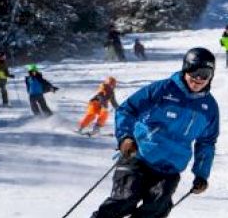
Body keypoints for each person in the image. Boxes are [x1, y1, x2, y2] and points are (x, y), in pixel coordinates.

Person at [91, 47, 220, 218]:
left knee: (155, 210)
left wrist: (201, 174)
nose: (198, 79)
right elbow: (127, 110)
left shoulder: (209, 107)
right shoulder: (162, 90)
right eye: (193, 72)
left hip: (170, 168)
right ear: (185, 69)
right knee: (125, 199)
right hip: (139, 156)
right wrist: (125, 138)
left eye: (204, 74)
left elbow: (207, 142)